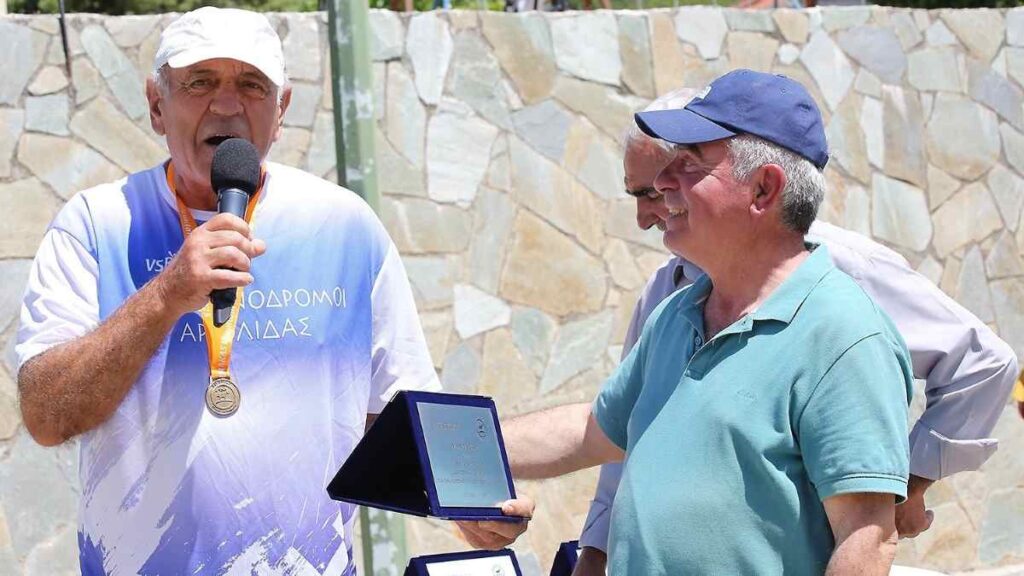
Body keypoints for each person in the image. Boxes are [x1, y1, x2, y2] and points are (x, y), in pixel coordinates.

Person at [14, 7, 453, 574]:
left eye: (252, 85)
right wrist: (166, 294)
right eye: (200, 83)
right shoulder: (96, 225)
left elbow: (404, 416)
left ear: (281, 110)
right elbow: (47, 416)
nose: (226, 106)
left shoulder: (345, 226)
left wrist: (474, 502)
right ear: (156, 105)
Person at [460, 69, 916, 574]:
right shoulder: (676, 313)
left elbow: (867, 538)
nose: (661, 183)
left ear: (763, 189)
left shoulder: (844, 335)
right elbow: (593, 431)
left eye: (689, 165)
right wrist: (448, 447)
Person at [570, 89, 1021, 575]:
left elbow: (983, 363)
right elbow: (623, 432)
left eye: (655, 191)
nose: (644, 217)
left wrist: (905, 484)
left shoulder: (839, 273)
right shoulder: (666, 294)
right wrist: (595, 553)